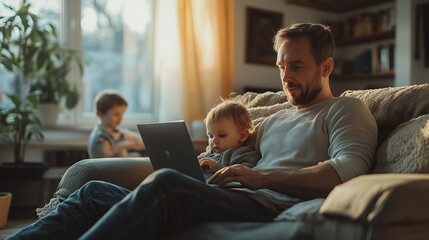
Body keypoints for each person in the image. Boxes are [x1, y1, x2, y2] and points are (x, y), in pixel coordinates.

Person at [8, 23, 377, 240]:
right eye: (282, 65)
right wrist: (209, 162)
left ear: (326, 66)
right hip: (225, 192)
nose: (285, 76)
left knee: (167, 184)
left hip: (265, 205)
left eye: (296, 66)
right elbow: (234, 153)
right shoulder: (275, 119)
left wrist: (259, 178)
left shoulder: (346, 109)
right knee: (92, 192)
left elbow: (346, 169)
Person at [197, 99, 260, 175]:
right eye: (210, 136)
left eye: (222, 135)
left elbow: (245, 176)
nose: (214, 141)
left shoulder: (245, 155)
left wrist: (216, 167)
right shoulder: (207, 155)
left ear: (242, 136)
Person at [87, 90, 145, 158]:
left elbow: (138, 141)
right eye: (116, 114)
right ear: (101, 113)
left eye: (122, 114)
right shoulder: (99, 137)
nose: (121, 118)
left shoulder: (118, 132)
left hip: (118, 166)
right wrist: (123, 146)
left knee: (137, 155)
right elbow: (105, 161)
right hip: (105, 167)